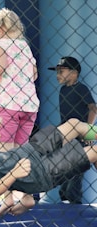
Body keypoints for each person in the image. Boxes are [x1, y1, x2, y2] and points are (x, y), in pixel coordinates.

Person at [0, 8, 40, 213]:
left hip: (9, 106)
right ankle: (28, 195)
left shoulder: (1, 44)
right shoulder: (24, 46)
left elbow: (0, 66)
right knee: (21, 151)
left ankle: (8, 196)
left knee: (5, 153)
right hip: (30, 106)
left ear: (1, 28)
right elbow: (34, 73)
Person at [48, 56, 97, 204]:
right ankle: (66, 202)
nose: (58, 75)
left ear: (74, 73)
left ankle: (75, 205)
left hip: (80, 138)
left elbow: (93, 108)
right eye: (57, 72)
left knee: (75, 177)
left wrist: (88, 131)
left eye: (61, 71)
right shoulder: (63, 90)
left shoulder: (81, 88)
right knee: (64, 177)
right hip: (67, 138)